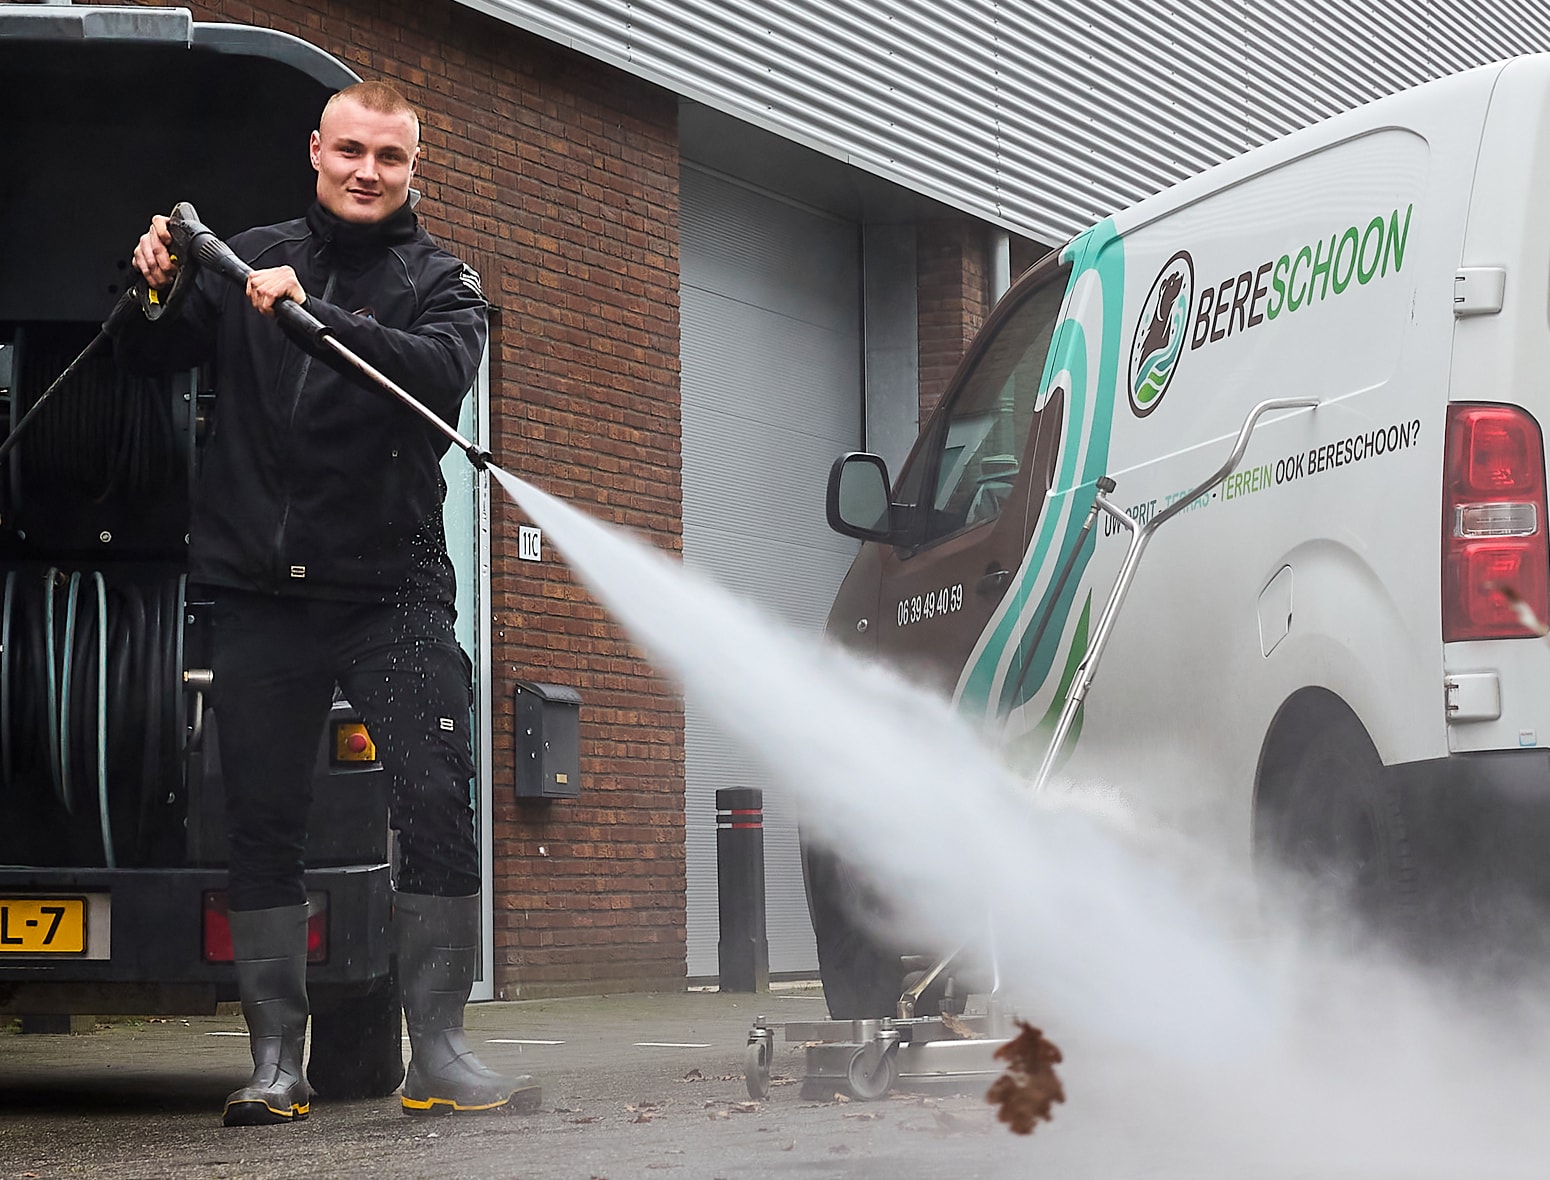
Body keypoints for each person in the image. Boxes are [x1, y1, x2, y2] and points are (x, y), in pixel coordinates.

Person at [113, 81, 539, 1126]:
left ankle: (436, 1051)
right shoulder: (245, 254)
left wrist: (311, 313)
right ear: (316, 150)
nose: (366, 171)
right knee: (262, 820)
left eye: (388, 158)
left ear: (412, 169)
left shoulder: (443, 280)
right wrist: (157, 281)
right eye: (350, 150)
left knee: (437, 794)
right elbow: (148, 350)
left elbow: (437, 373)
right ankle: (276, 1066)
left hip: (388, 590)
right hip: (259, 595)